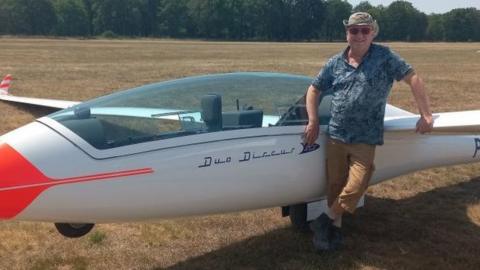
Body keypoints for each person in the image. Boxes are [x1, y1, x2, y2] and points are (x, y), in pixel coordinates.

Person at [303, 12, 434, 251]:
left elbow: (413, 78)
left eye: (365, 30)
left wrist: (426, 114)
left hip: (365, 138)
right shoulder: (335, 62)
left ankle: (323, 221)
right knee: (335, 185)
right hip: (336, 136)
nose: (360, 35)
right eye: (354, 30)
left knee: (355, 186)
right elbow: (314, 89)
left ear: (373, 32)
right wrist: (312, 120)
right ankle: (332, 232)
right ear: (347, 34)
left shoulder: (384, 57)